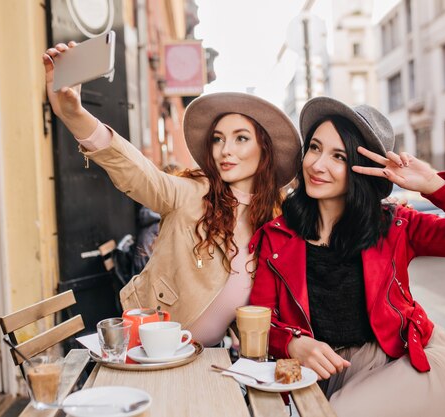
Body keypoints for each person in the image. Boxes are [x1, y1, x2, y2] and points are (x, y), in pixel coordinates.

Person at [249, 96, 445, 417]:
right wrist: (291, 343)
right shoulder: (276, 235)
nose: (318, 165)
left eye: (339, 156)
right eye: (315, 148)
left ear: (363, 171)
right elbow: (261, 319)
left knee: (342, 411)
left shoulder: (398, 225)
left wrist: (433, 185)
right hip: (317, 369)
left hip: (395, 361)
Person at [42, 42, 302, 347]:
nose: (225, 150)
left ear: (265, 152)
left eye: (240, 138)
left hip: (207, 360)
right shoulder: (192, 194)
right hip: (146, 350)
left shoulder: (274, 224)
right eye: (218, 139)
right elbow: (139, 174)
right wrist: (75, 114)